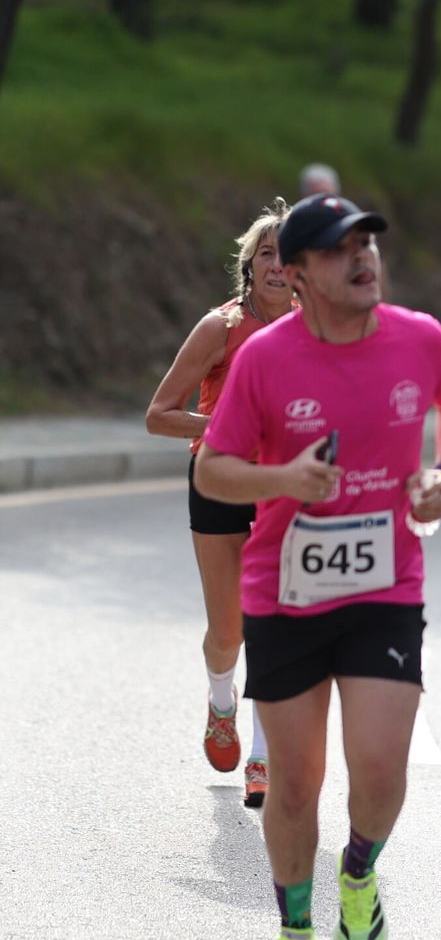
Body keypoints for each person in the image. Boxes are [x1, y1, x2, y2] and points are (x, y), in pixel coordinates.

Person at [195, 194, 441, 940]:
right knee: (294, 779)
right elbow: (210, 468)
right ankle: (293, 934)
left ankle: (357, 873)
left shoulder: (418, 337)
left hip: (385, 580)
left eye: (366, 243)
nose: (361, 259)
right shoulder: (262, 357)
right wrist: (283, 478)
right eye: (336, 250)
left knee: (383, 765)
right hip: (283, 588)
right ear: (295, 274)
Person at [146, 198, 294, 808]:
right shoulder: (221, 328)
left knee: (275, 624)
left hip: (284, 487)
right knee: (229, 627)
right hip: (217, 480)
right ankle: (220, 701)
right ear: (250, 265)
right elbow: (158, 416)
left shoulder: (319, 328)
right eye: (266, 254)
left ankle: (263, 758)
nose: (277, 266)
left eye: (290, 256)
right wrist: (221, 424)